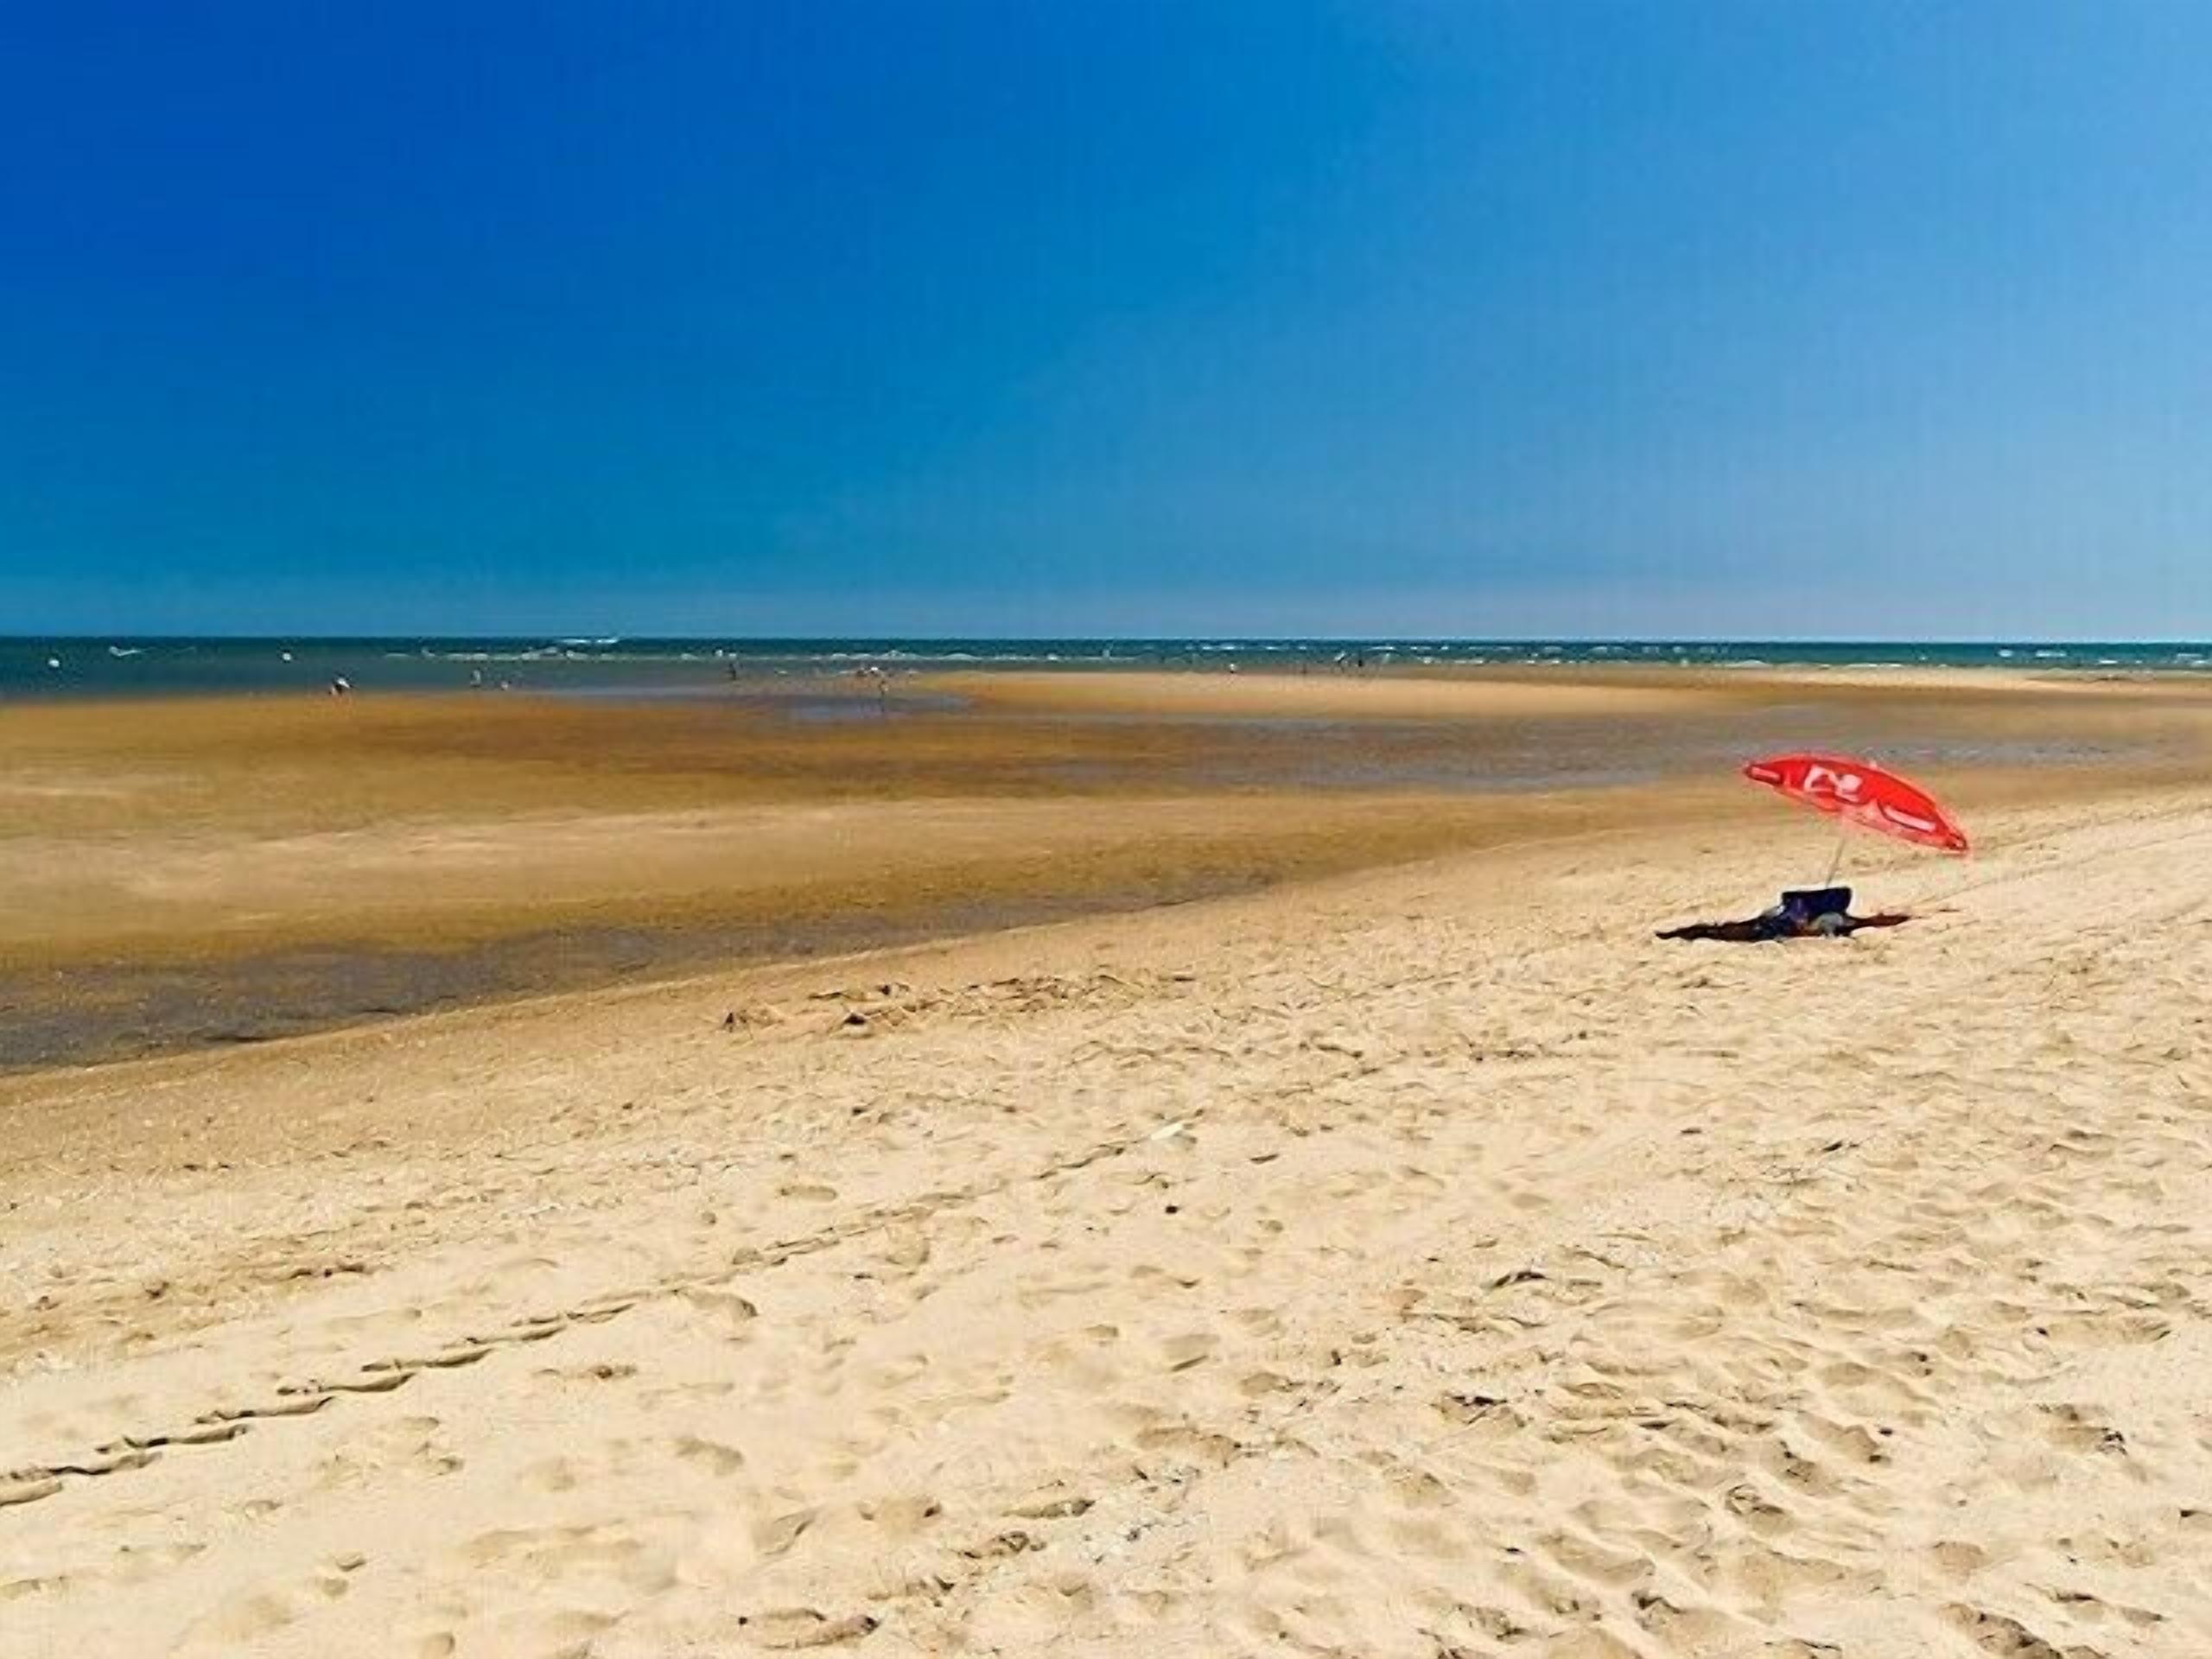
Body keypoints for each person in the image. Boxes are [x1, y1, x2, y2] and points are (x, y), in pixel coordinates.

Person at [1658, 887, 1907, 943]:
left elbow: (1810, 932)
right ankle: (1678, 935)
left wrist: (1805, 927)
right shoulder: (1843, 920)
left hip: (1775, 927)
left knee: (1719, 932)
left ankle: (1676, 936)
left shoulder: (1841, 923)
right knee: (1721, 930)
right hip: (1779, 922)